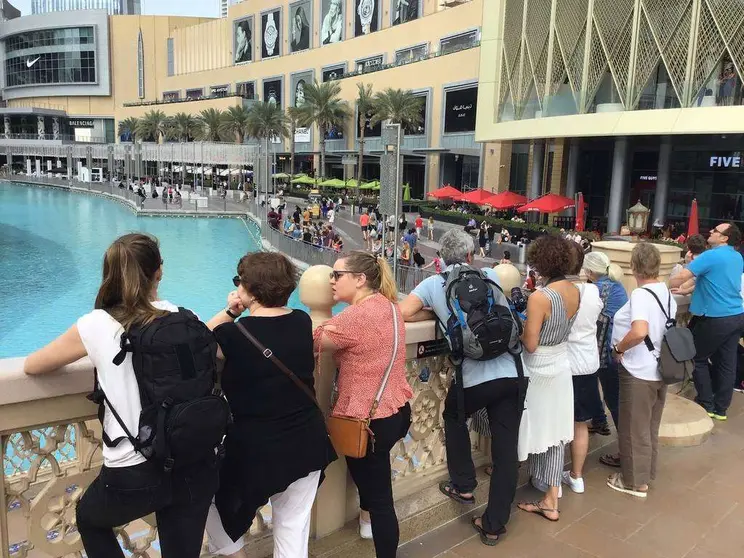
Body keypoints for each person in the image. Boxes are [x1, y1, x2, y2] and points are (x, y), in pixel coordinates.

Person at [24, 233, 219, 558]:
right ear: (159, 271)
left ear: (110, 275)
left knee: (89, 519)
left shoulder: (96, 324)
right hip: (193, 460)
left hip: (134, 470)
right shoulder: (183, 315)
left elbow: (33, 366)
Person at [399, 229, 527, 546]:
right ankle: (494, 524)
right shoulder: (489, 274)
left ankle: (464, 484)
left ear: (441, 258)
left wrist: (434, 309)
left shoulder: (433, 284)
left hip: (473, 379)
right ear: (471, 256)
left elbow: (402, 313)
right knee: (505, 450)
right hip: (512, 372)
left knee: (453, 417)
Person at [205, 252, 336, 557]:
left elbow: (196, 340)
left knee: (215, 508)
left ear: (248, 289)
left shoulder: (231, 334)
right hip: (307, 442)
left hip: (255, 450)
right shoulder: (303, 321)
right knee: (292, 531)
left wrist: (231, 309)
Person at [314, 252, 412, 558]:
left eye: (337, 274)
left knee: (382, 498)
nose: (331, 280)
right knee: (375, 479)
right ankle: (367, 520)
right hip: (397, 410)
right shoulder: (389, 306)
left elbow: (315, 340)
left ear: (360, 279)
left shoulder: (356, 317)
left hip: (368, 422)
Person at [517, 235, 579, 522]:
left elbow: (530, 344)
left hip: (539, 367)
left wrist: (518, 329)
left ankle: (518, 474)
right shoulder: (575, 291)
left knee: (530, 424)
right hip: (561, 364)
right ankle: (551, 497)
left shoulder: (539, 297)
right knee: (556, 432)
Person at [608, 243, 677, 497]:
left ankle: (635, 482)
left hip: (639, 370)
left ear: (634, 267)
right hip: (661, 368)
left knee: (632, 427)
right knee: (649, 426)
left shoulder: (640, 294)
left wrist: (618, 348)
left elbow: (639, 331)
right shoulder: (665, 292)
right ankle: (646, 473)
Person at [670, 223, 744, 420]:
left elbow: (682, 277)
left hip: (715, 317)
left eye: (715, 231)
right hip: (736, 315)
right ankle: (721, 409)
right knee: (727, 363)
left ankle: (706, 402)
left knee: (696, 358)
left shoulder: (710, 255)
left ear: (724, 238)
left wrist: (654, 282)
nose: (710, 232)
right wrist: (687, 290)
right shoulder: (736, 256)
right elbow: (714, 279)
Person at [563, 243, 604, 495]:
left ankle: (552, 477)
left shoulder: (558, 291)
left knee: (558, 422)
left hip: (565, 362)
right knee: (580, 423)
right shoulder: (593, 292)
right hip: (588, 362)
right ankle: (577, 476)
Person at [581, 254, 628, 469]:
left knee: (613, 399)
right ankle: (599, 420)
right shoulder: (616, 285)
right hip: (610, 348)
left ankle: (625, 452)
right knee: (596, 386)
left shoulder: (598, 288)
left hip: (605, 351)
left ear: (590, 272)